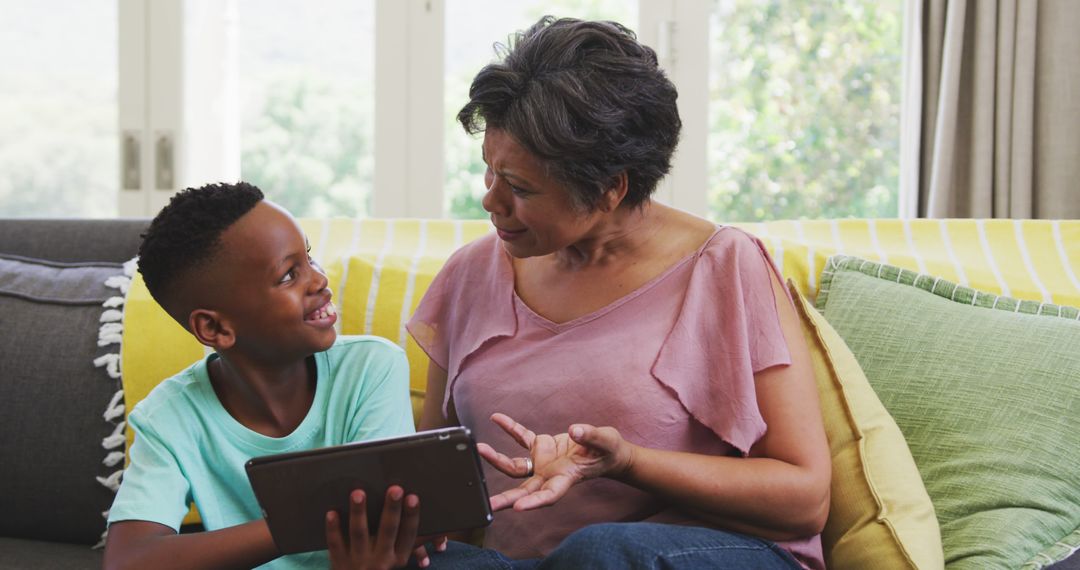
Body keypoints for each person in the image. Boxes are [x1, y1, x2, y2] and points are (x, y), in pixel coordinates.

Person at [407, 16, 831, 570]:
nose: (491, 202)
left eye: (520, 188)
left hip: (694, 554)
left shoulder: (724, 268)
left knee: (601, 553)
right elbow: (439, 491)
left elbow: (806, 499)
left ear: (610, 188)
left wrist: (628, 462)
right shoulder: (470, 276)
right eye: (489, 173)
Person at [103, 182, 430, 570]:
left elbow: (381, 529)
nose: (319, 280)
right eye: (289, 275)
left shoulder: (371, 367)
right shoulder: (169, 418)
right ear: (215, 328)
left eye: (309, 258)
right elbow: (129, 560)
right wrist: (303, 522)